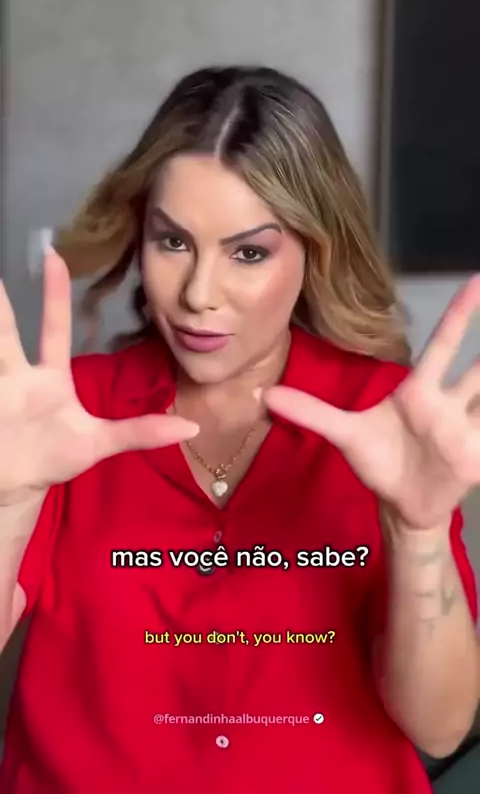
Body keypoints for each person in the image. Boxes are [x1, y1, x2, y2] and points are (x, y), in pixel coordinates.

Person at [0, 66, 478, 794]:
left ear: (316, 250)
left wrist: (417, 533)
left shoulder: (381, 418)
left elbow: (439, 728)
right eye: (173, 242)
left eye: (249, 252)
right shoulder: (68, 413)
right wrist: (8, 501)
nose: (198, 295)